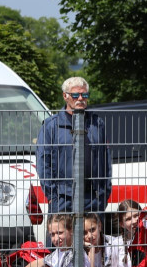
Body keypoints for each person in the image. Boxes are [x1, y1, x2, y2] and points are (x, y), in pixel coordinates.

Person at [36, 77, 112, 216]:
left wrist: (104, 194)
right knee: (61, 232)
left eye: (85, 95)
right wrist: (53, 196)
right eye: (75, 95)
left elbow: (105, 160)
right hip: (63, 198)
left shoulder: (96, 124)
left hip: (92, 197)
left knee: (93, 232)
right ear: (65, 96)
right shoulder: (51, 126)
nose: (81, 98)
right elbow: (43, 162)